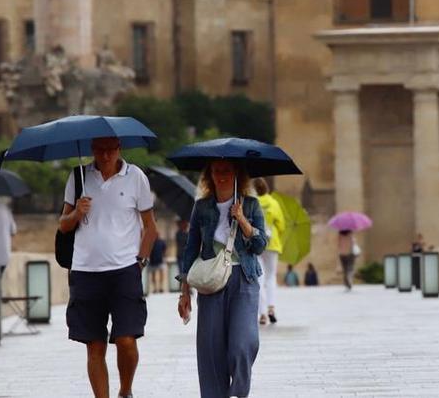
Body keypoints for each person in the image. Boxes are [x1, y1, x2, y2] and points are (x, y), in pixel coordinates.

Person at [59, 137, 160, 398]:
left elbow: (150, 227)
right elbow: (63, 225)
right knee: (95, 346)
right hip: (85, 272)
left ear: (119, 149)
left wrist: (141, 261)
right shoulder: (78, 177)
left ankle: (125, 390)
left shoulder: (136, 176)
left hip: (125, 271)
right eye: (99, 150)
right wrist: (77, 213)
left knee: (126, 340)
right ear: (92, 150)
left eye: (110, 150)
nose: (105, 156)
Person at [176, 160, 269, 398]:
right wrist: (185, 291)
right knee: (211, 350)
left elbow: (260, 246)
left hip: (244, 279)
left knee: (242, 344)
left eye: (227, 171)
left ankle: (238, 392)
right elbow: (190, 249)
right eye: (217, 171)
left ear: (237, 174)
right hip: (211, 281)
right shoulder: (201, 207)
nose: (222, 176)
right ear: (210, 175)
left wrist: (243, 221)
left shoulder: (250, 205)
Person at [252, 178, 284, 325]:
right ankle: (271, 307)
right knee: (271, 277)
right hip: (273, 244)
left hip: (257, 243)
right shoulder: (273, 203)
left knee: (259, 278)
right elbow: (281, 226)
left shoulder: (252, 202)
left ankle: (262, 313)